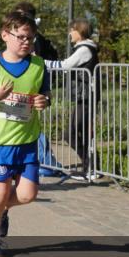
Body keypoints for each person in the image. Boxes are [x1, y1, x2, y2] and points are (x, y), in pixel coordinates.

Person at [0, 10, 51, 257]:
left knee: (28, 195)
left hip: (28, 140)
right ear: (5, 35)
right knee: (0, 189)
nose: (27, 42)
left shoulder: (39, 65)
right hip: (0, 140)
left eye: (31, 38)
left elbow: (46, 95)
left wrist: (44, 101)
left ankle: (1, 209)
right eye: (22, 37)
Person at [46, 19, 99, 180]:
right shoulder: (84, 48)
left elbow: (66, 65)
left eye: (71, 30)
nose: (69, 33)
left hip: (87, 97)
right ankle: (89, 167)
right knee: (75, 132)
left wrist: (41, 62)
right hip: (84, 97)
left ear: (79, 31)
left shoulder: (84, 49)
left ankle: (92, 168)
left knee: (71, 133)